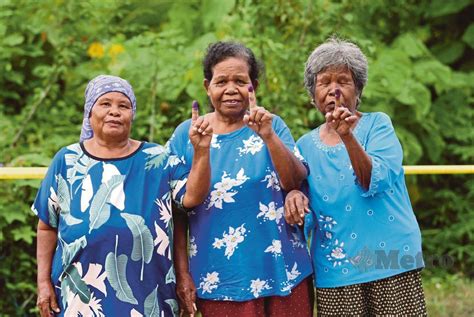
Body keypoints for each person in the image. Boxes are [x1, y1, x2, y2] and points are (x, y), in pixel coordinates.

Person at [32, 75, 212, 316]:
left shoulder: (157, 159)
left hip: (148, 294)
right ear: (89, 112)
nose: (114, 112)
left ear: (132, 114)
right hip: (79, 299)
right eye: (105, 104)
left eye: (123, 106)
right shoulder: (67, 160)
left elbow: (191, 198)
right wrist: (43, 283)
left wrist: (201, 151)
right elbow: (46, 227)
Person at [285, 37, 427, 315]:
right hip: (336, 269)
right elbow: (307, 207)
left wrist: (347, 136)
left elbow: (375, 180)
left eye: (343, 81)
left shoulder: (378, 125)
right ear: (312, 93)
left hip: (391, 261)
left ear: (358, 89)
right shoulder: (303, 145)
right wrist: (295, 197)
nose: (333, 90)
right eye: (324, 82)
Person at [172, 41, 314, 317]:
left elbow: (295, 180)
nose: (230, 89)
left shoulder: (272, 125)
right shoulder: (186, 136)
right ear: (207, 86)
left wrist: (268, 136)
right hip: (220, 280)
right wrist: (182, 273)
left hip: (284, 271)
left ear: (254, 87)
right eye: (221, 81)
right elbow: (180, 209)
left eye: (240, 81)